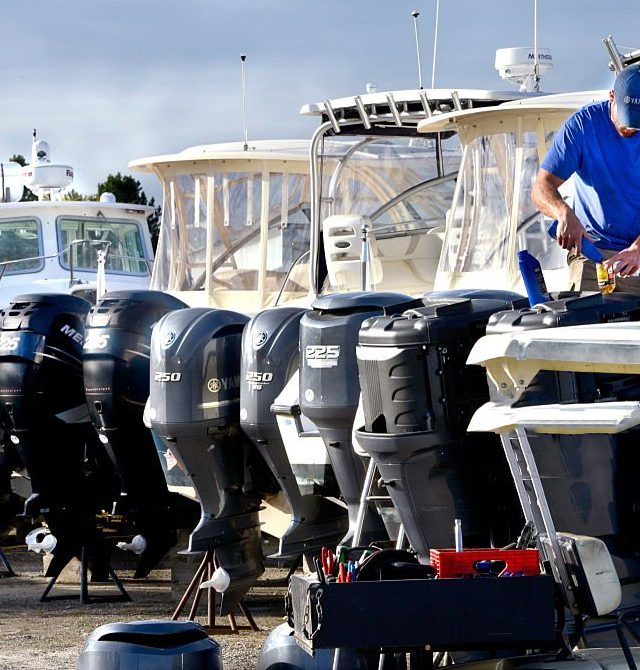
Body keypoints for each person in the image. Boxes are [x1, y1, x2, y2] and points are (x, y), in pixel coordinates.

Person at [532, 62, 640, 293]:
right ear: (612, 97)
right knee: (587, 312)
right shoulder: (582, 125)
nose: (630, 129)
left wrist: (637, 249)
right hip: (594, 252)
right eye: (626, 119)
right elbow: (542, 187)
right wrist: (563, 213)